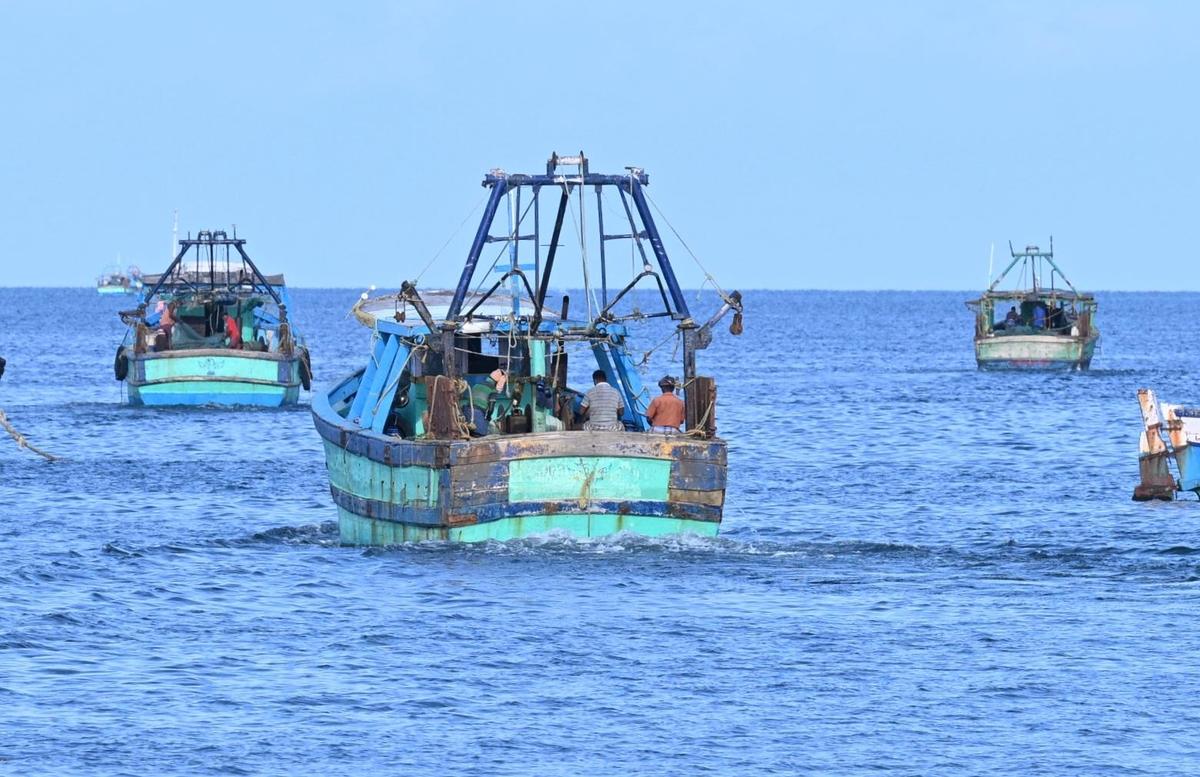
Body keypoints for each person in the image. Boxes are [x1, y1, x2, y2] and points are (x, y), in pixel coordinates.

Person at [467, 369, 508, 436]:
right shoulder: (492, 390)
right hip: (478, 415)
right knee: (493, 433)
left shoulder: (477, 385)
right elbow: (491, 408)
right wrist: (488, 418)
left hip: (467, 413)